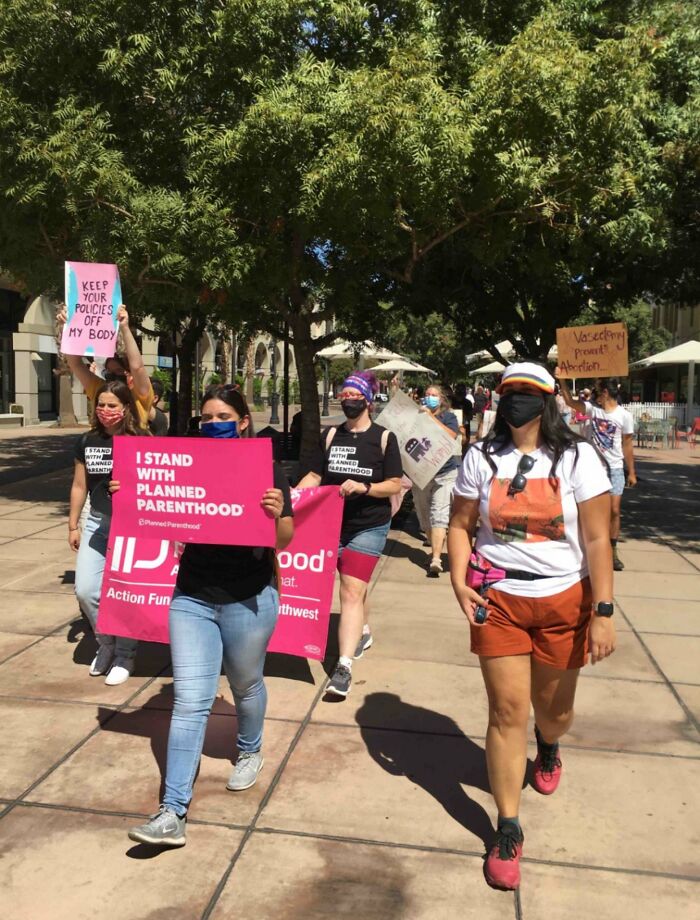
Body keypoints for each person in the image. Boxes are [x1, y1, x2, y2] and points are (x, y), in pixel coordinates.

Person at [447, 362, 615, 891]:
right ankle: (507, 827)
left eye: (527, 392)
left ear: (547, 401)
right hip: (498, 598)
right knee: (506, 712)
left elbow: (598, 539)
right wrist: (458, 579)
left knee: (554, 712)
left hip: (566, 600)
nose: (517, 400)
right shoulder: (480, 457)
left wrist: (604, 611)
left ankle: (549, 743)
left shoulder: (578, 457)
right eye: (509, 392)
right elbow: (460, 525)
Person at [127, 385, 294, 848]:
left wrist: (277, 513)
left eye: (223, 416)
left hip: (249, 598)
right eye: (206, 418)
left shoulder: (266, 469)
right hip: (192, 597)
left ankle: (249, 749)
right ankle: (172, 811)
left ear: (243, 421)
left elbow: (284, 539)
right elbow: (152, 502)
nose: (213, 423)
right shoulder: (188, 462)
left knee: (245, 683)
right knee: (189, 701)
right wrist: (131, 492)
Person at [297, 371, 402, 698]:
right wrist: (293, 498)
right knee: (355, 586)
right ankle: (362, 630)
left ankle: (343, 667)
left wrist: (365, 487)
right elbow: (315, 475)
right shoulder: (330, 436)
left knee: (350, 590)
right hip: (331, 525)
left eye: (354, 396)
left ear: (367, 401)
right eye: (344, 396)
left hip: (369, 526)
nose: (348, 401)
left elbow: (394, 484)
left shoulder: (384, 439)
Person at [70, 380, 147, 684]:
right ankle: (106, 643)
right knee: (86, 590)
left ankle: (126, 655)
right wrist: (73, 524)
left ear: (125, 407)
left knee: (124, 592)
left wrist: (131, 486)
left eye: (111, 405)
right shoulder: (87, 440)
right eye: (100, 404)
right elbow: (80, 485)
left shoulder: (140, 439)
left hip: (131, 527)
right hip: (97, 523)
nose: (105, 410)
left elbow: (155, 483)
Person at [557, 374, 636, 571]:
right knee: (589, 509)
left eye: (597, 391)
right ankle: (589, 546)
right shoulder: (593, 410)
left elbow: (627, 444)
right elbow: (569, 401)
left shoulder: (624, 416)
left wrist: (632, 471)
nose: (594, 395)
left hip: (614, 468)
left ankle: (612, 549)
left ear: (606, 393)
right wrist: (562, 380)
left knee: (614, 510)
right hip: (593, 468)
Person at [58, 304, 154, 430]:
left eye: (119, 371)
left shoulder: (139, 395)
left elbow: (137, 367)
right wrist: (68, 327)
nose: (106, 409)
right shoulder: (100, 390)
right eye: (109, 373)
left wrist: (124, 327)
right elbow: (75, 364)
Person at [412, 385, 460, 577]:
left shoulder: (449, 417)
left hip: (445, 473)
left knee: (439, 515)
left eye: (434, 395)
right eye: (427, 394)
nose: (429, 397)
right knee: (425, 517)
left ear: (441, 399)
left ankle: (436, 559)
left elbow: (451, 436)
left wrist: (430, 418)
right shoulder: (416, 415)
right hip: (421, 474)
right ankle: (434, 549)